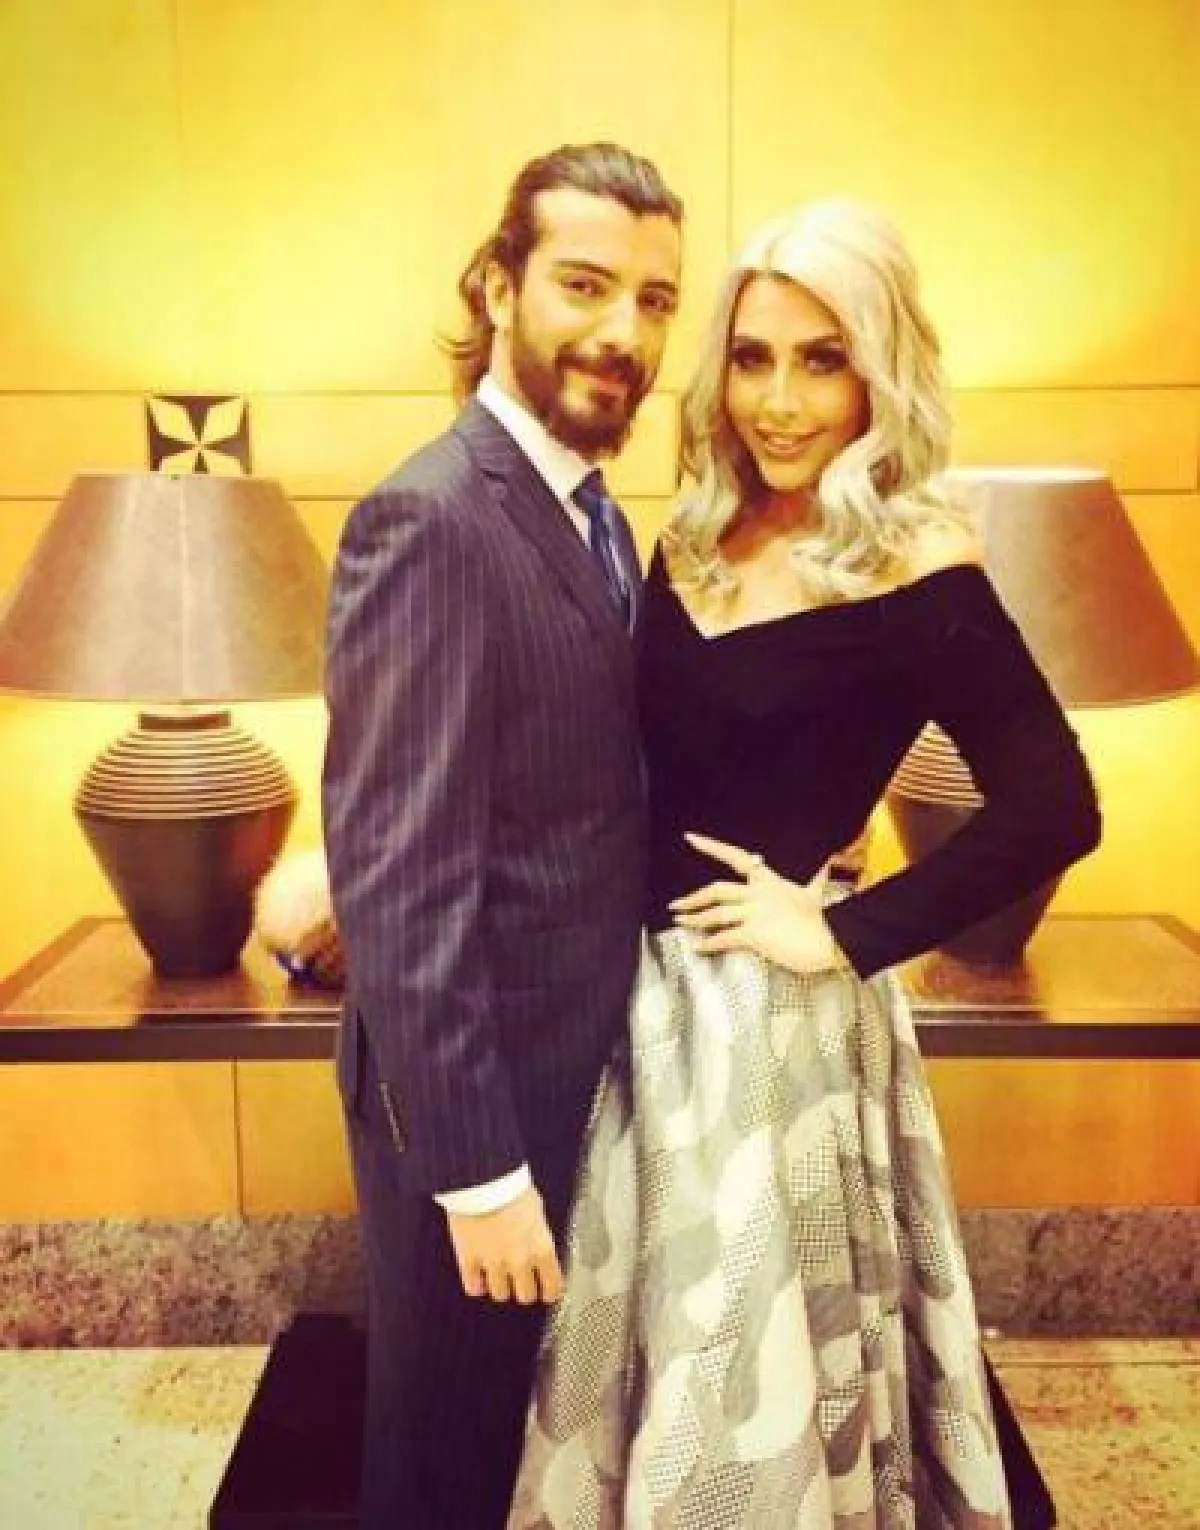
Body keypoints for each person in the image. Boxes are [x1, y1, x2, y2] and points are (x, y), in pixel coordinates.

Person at [509, 199, 1101, 1528]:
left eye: (822, 361)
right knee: (649, 1352)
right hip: (636, 1007)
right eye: (754, 357)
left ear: (880, 370)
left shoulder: (917, 555)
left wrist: (842, 930)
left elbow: (1056, 802)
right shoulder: (692, 533)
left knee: (740, 1378)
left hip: (774, 1027)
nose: (780, 401)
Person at [321, 142, 683, 1530]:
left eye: (654, 299)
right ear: (497, 286)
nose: (623, 331)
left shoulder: (590, 510)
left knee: (532, 1453)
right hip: (475, 1110)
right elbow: (400, 882)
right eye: (585, 284)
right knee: (448, 1462)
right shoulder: (430, 518)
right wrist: (475, 1174)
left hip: (575, 1072)